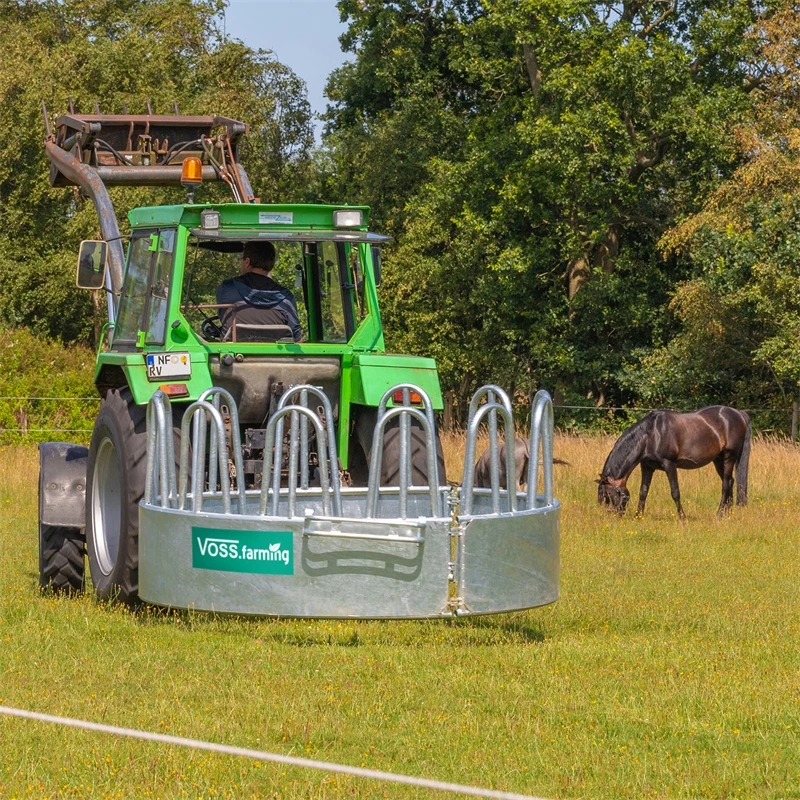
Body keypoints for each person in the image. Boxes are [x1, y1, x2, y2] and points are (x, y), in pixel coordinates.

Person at [215, 241, 303, 342]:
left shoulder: (227, 288)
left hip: (233, 355)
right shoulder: (286, 297)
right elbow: (297, 339)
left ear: (247, 262)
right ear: (271, 265)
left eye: (241, 260)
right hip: (275, 357)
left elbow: (222, 317)